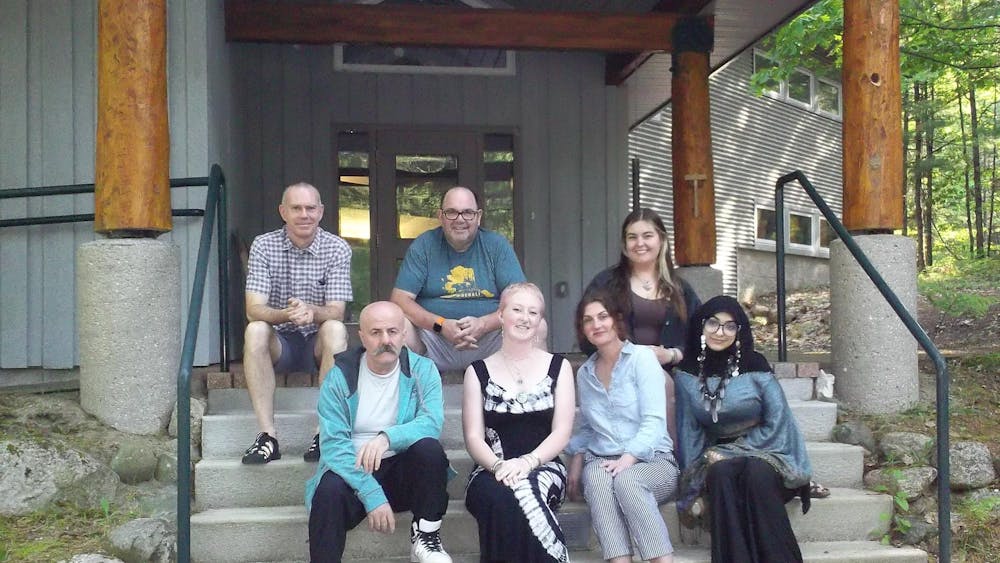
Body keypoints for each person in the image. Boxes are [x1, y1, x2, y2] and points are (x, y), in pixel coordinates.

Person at [305, 301, 452, 563]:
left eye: (393, 332)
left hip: (403, 472)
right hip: (354, 469)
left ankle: (426, 537)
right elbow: (334, 447)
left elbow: (431, 422)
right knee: (327, 493)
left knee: (429, 449)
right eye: (376, 333)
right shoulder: (339, 377)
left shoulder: (423, 369)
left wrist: (386, 438)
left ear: (404, 334)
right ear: (361, 337)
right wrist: (371, 494)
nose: (386, 340)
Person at [673, 295, 812, 563]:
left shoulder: (755, 364)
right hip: (717, 457)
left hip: (768, 450)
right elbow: (689, 430)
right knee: (722, 474)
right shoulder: (687, 372)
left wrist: (734, 451)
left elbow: (778, 421)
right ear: (701, 326)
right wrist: (694, 476)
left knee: (755, 474)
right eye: (713, 323)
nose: (720, 332)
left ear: (739, 332)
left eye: (729, 326)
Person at [462, 283, 576, 563]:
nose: (525, 318)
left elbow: (562, 431)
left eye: (533, 312)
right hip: (491, 469)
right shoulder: (477, 372)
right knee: (499, 497)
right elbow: (474, 438)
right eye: (517, 309)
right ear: (501, 315)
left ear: (540, 321)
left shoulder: (559, 368)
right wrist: (500, 466)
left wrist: (527, 462)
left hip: (544, 466)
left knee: (527, 491)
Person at [242, 182, 352, 464]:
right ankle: (267, 436)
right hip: (281, 343)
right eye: (296, 208)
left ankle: (323, 433)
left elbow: (337, 311)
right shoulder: (264, 245)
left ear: (321, 212)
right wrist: (287, 314)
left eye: (310, 208)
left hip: (318, 343)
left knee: (335, 329)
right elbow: (253, 309)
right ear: (283, 212)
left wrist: (311, 312)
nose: (304, 214)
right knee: (255, 330)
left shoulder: (337, 248)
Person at [566, 290, 679, 563]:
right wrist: (578, 457)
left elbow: (655, 421)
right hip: (603, 460)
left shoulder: (642, 359)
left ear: (616, 320)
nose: (596, 325)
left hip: (653, 460)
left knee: (627, 480)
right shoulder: (585, 374)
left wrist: (628, 458)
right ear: (583, 330)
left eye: (603, 317)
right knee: (596, 479)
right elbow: (590, 427)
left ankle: (661, 560)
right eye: (588, 320)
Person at [391, 186, 542, 372]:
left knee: (537, 326)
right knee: (395, 324)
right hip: (434, 342)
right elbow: (400, 300)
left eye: (468, 213)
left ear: (478, 217)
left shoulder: (496, 245)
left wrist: (483, 324)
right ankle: (407, 398)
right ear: (440, 216)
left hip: (490, 342)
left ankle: (531, 396)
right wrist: (441, 325)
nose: (460, 219)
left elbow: (523, 299)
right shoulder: (424, 246)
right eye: (452, 212)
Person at [584, 208, 701, 448]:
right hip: (617, 370)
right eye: (632, 237)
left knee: (668, 382)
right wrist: (631, 358)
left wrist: (671, 354)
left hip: (670, 370)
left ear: (661, 240)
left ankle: (677, 460)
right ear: (624, 244)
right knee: (659, 380)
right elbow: (587, 329)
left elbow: (701, 336)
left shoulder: (680, 289)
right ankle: (668, 459)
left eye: (647, 236)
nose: (640, 243)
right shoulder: (605, 284)